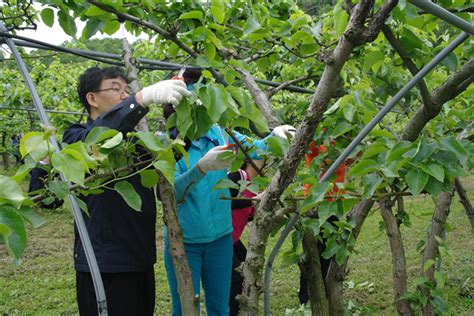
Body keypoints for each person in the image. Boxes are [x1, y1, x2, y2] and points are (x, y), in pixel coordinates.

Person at [163, 69, 296, 315]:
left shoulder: (220, 132)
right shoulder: (168, 144)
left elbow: (255, 149)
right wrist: (200, 168)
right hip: (185, 241)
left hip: (220, 240)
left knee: (220, 307)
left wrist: (275, 137)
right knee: (184, 308)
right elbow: (170, 194)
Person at [62, 66, 191, 316]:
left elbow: (172, 149)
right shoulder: (75, 137)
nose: (124, 95)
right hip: (103, 263)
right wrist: (140, 99)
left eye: (127, 90)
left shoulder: (135, 143)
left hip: (139, 257)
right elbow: (97, 139)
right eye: (115, 88)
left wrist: (182, 111)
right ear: (92, 98)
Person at [227, 159, 263, 316]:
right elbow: (226, 201)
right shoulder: (237, 176)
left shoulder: (253, 185)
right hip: (224, 237)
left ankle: (243, 309)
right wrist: (253, 200)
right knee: (236, 278)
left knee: (248, 268)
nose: (263, 159)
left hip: (233, 238)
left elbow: (246, 214)